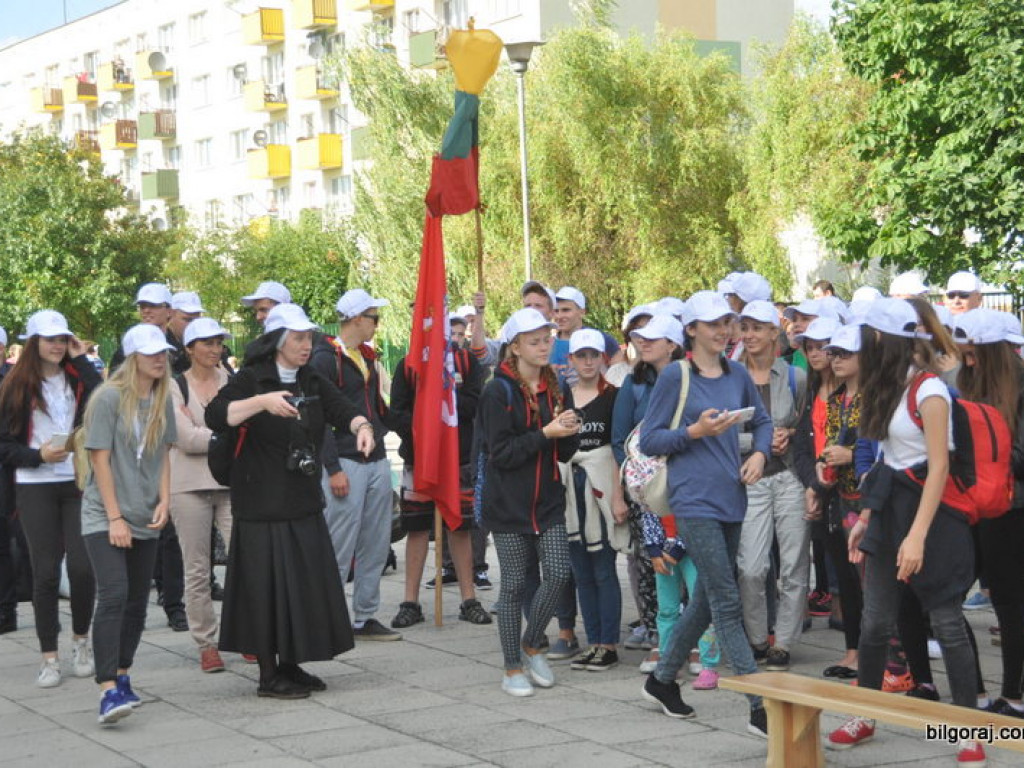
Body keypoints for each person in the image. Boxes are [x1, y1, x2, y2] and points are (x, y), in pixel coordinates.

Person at [826, 299, 984, 766]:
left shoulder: (930, 390)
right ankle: (865, 713)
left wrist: (916, 537)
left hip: (935, 520)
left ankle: (965, 727)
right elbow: (884, 463)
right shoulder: (884, 387)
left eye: (869, 336)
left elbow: (938, 469)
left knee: (948, 622)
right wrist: (869, 521)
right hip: (889, 513)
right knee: (875, 623)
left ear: (885, 340)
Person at [206, 303, 370, 698]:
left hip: (301, 498)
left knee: (300, 587)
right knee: (264, 591)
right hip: (260, 503)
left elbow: (341, 407)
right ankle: (267, 675)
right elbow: (216, 415)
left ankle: (291, 664)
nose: (305, 344)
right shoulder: (251, 378)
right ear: (278, 341)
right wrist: (261, 403)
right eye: (297, 338)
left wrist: (361, 425)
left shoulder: (310, 377)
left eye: (308, 337)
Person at [638, 291, 772, 738]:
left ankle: (661, 680)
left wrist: (761, 456)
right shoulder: (675, 376)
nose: (723, 329)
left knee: (706, 599)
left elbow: (765, 423)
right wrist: (694, 431)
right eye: (713, 322)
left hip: (733, 496)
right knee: (727, 598)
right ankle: (759, 707)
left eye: (727, 322)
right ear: (690, 329)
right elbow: (649, 441)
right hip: (692, 499)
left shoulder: (736, 373)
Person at [477, 308, 580, 697]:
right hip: (508, 504)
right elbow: (500, 453)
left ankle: (533, 642)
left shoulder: (556, 385)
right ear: (515, 347)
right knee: (515, 585)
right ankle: (511, 668)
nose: (543, 346)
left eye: (547, 339)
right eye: (534, 341)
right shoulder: (497, 389)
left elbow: (565, 451)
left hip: (548, 501)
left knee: (557, 573)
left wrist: (571, 429)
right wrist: (546, 433)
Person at [80, 324, 177, 724]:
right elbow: (99, 459)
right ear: (133, 356)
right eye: (151, 352)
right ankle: (106, 689)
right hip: (105, 513)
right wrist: (115, 516)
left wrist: (166, 500)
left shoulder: (161, 399)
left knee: (138, 601)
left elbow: (164, 453)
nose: (160, 358)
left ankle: (122, 675)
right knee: (115, 594)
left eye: (164, 352)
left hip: (145, 512)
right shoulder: (106, 398)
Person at [0, 310, 102, 687]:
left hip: (75, 482)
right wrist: (37, 456)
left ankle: (81, 641)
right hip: (33, 484)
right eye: (50, 339)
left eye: (63, 339)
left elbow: (101, 396)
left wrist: (79, 358)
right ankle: (48, 656)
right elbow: (4, 447)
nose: (57, 345)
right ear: (33, 343)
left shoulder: (75, 377)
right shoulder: (14, 386)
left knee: (81, 567)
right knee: (44, 573)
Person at [388, 315, 491, 629]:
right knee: (417, 527)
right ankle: (410, 602)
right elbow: (396, 412)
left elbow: (475, 404)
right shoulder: (408, 366)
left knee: (459, 526)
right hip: (419, 459)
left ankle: (469, 599)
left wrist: (445, 410)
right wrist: (423, 431)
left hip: (457, 459)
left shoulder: (467, 363)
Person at [312, 289, 399, 641]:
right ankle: (326, 618)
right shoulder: (324, 358)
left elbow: (376, 408)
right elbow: (319, 418)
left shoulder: (365, 355)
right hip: (345, 460)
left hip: (375, 457)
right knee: (339, 543)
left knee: (376, 541)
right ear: (357, 318)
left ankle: (364, 615)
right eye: (374, 317)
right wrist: (332, 468)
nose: (378, 323)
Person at [953, 308, 1024, 718]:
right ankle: (974, 690)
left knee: (1010, 603)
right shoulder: (966, 383)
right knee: (948, 595)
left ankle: (1014, 694)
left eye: (974, 351)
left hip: (1011, 509)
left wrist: (983, 448)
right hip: (970, 505)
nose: (967, 358)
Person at [735, 300, 809, 672]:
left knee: (794, 563)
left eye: (756, 328)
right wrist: (760, 444)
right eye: (744, 328)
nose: (749, 335)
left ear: (773, 332)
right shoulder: (730, 376)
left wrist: (791, 435)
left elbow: (809, 429)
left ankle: (784, 641)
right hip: (750, 480)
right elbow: (721, 434)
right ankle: (756, 637)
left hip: (790, 477)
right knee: (751, 566)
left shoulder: (795, 376)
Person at [611, 313, 683, 671]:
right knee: (651, 560)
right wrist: (619, 491)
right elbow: (618, 441)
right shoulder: (634, 384)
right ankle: (659, 636)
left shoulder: (691, 379)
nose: (643, 343)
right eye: (640, 338)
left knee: (691, 560)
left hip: (687, 486)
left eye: (652, 338)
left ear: (673, 344)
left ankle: (697, 641)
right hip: (646, 489)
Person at [169, 318, 233, 673]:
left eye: (218, 342)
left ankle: (247, 632)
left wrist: (204, 432)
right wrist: (221, 436)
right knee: (197, 568)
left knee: (245, 558)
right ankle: (206, 643)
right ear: (189, 348)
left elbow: (240, 426)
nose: (213, 349)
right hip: (188, 484)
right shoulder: (175, 386)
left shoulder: (232, 381)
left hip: (229, 482)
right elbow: (183, 437)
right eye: (205, 343)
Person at [561, 329, 628, 671]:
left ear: (603, 358)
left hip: (600, 487)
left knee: (602, 567)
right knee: (580, 569)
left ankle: (609, 642)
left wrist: (618, 495)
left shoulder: (614, 396)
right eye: (581, 356)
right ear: (570, 359)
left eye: (593, 355)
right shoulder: (563, 397)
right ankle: (593, 641)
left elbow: (619, 448)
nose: (588, 362)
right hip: (571, 491)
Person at [814, 323, 866, 681]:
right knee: (846, 578)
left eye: (844, 353)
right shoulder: (835, 400)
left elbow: (882, 447)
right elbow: (827, 444)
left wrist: (850, 454)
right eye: (833, 353)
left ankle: (884, 655)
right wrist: (822, 464)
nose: (835, 360)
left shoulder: (878, 397)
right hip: (838, 497)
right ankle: (853, 651)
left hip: (869, 499)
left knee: (871, 579)